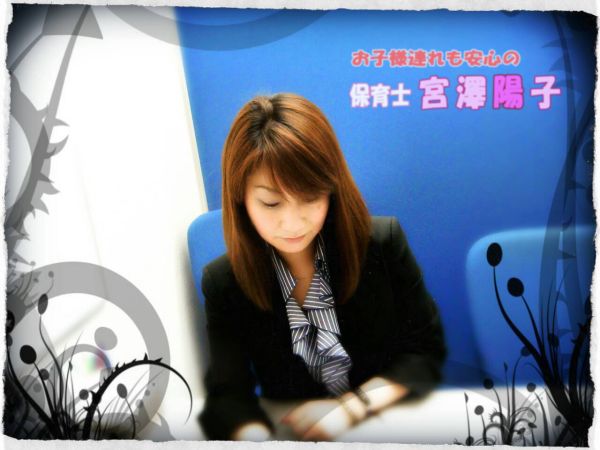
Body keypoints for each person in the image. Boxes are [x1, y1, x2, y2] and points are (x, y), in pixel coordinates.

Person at [198, 92, 446, 441]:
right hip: (294, 433)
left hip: (385, 425)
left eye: (310, 197)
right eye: (271, 203)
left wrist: (350, 409)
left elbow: (424, 352)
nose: (292, 223)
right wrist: (255, 437)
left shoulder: (381, 243)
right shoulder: (224, 281)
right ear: (240, 198)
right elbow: (228, 395)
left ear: (331, 188)